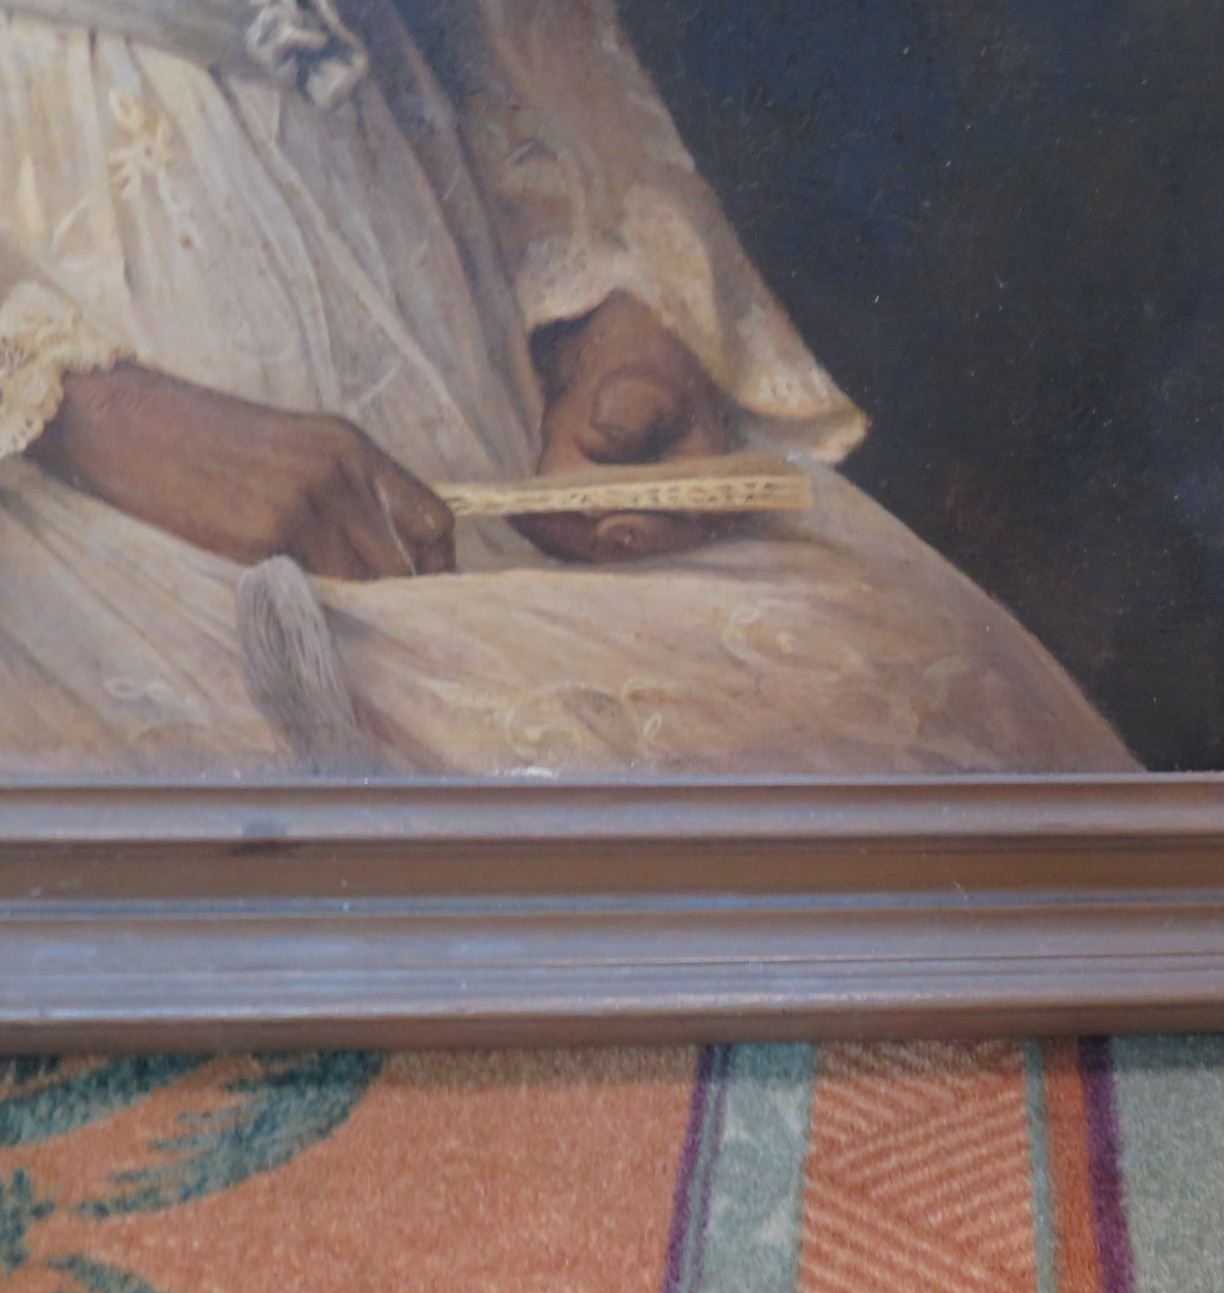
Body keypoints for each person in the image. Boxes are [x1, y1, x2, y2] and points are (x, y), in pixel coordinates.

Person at [0, 0, 1135, 775]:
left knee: (924, 697)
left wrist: (613, 316)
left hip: (448, 307)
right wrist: (96, 411)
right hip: (76, 441)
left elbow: (524, 46)